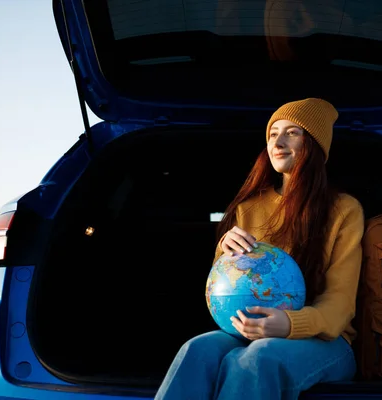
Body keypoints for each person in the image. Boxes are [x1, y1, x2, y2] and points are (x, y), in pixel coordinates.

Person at [155, 98, 365, 400]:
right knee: (196, 350)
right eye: (272, 133)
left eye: (292, 132)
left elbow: (340, 302)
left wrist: (291, 323)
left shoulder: (344, 210)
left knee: (257, 359)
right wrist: (222, 253)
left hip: (326, 339)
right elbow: (225, 287)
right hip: (247, 332)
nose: (278, 142)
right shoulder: (248, 208)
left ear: (316, 144)